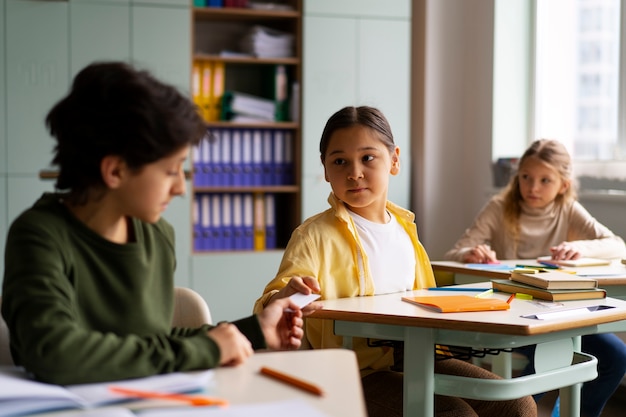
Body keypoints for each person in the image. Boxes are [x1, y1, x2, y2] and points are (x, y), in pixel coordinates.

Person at [1, 61, 304, 385]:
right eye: (171, 170)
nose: (180, 188)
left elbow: (148, 341)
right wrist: (205, 348)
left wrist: (255, 330)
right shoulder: (39, 235)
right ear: (115, 171)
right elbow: (54, 353)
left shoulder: (157, 235)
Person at [253, 106, 537, 417]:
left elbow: (427, 303)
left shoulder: (406, 229)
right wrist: (283, 297)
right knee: (456, 414)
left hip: (419, 359)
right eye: (339, 161)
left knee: (517, 405)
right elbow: (271, 307)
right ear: (325, 170)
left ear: (395, 160)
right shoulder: (313, 236)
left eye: (368, 158)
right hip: (354, 372)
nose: (354, 172)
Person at [445, 138, 626, 417]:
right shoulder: (500, 206)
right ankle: (510, 411)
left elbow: (616, 244)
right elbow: (456, 251)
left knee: (616, 357)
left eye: (545, 180)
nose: (532, 187)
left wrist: (577, 247)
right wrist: (473, 252)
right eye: (526, 178)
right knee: (553, 353)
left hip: (557, 315)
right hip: (513, 315)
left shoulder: (567, 209)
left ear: (563, 185)